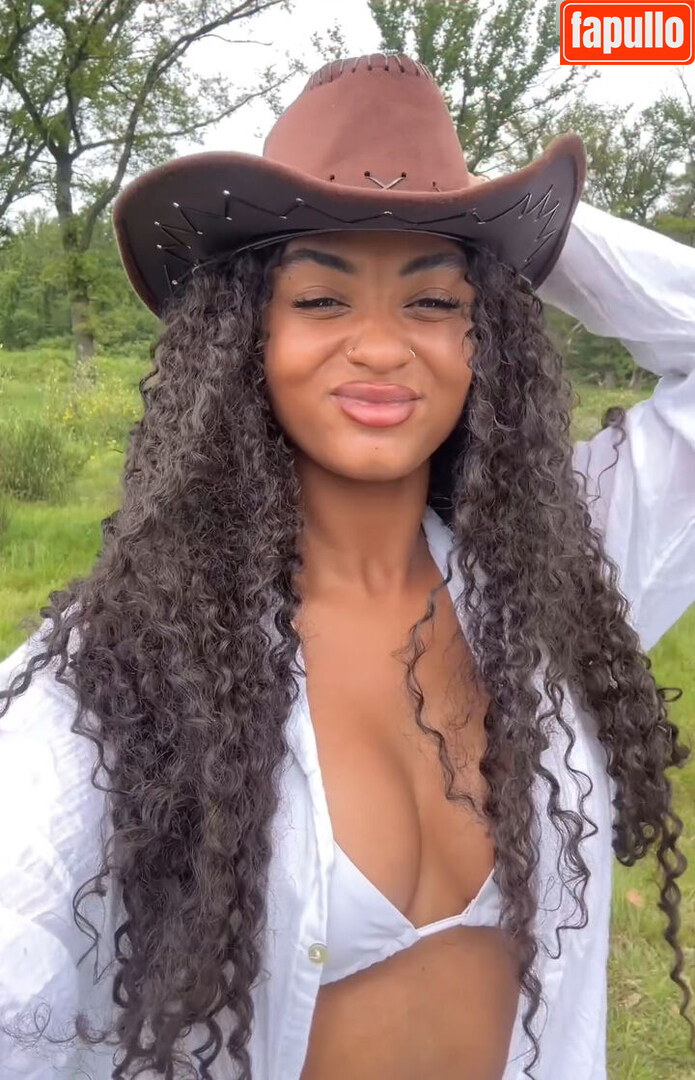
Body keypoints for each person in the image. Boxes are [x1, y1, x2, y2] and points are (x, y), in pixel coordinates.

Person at [0, 51, 693, 1080]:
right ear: (245, 337)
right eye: (322, 300)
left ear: (488, 337)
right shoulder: (123, 670)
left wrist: (494, 219)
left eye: (432, 303)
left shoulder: (551, 579)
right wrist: (443, 216)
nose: (379, 347)